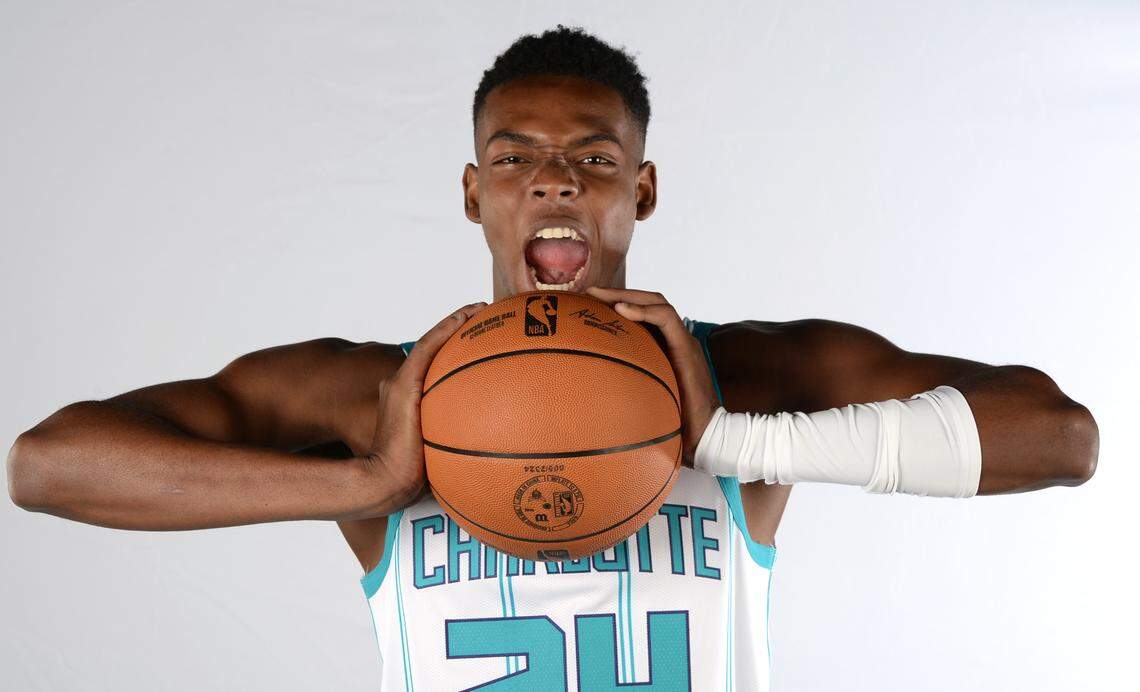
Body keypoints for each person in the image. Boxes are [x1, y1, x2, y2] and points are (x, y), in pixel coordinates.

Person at [6, 25, 1098, 691]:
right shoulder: (370, 395)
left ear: (643, 189)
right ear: (475, 193)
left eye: (592, 156)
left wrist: (731, 438)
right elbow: (48, 463)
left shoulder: (755, 379)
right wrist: (364, 481)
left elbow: (1059, 436)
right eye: (515, 158)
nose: (556, 180)